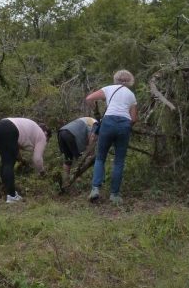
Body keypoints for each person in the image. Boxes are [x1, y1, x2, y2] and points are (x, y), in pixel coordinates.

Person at [85, 70, 138, 205]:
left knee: (100, 157)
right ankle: (114, 195)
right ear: (130, 81)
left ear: (116, 79)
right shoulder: (131, 95)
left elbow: (89, 98)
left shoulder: (109, 89)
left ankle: (95, 189)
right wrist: (125, 125)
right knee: (119, 161)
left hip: (108, 122)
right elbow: (134, 119)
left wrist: (96, 112)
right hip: (124, 125)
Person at [0, 117, 50, 203]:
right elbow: (37, 159)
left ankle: (7, 191)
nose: (46, 142)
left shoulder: (31, 128)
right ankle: (11, 196)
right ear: (46, 134)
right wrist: (41, 172)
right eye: (47, 140)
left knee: (5, 162)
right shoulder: (42, 135)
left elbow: (16, 150)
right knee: (8, 164)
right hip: (9, 128)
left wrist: (21, 160)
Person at [57, 117, 98, 183]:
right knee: (79, 159)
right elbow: (92, 137)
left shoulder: (88, 119)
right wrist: (91, 153)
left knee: (68, 159)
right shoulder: (95, 124)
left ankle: (65, 180)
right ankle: (77, 179)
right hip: (71, 134)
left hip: (61, 132)